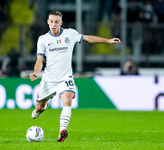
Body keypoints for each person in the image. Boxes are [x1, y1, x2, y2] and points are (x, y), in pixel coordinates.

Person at [29, 11, 121, 142]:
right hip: (49, 79)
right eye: (51, 22)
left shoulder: (70, 34)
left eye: (56, 22)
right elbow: (39, 60)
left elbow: (88, 38)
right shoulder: (43, 39)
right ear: (48, 22)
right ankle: (43, 107)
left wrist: (108, 40)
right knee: (38, 108)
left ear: (61, 22)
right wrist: (36, 73)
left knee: (67, 99)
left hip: (66, 78)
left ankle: (62, 130)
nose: (54, 24)